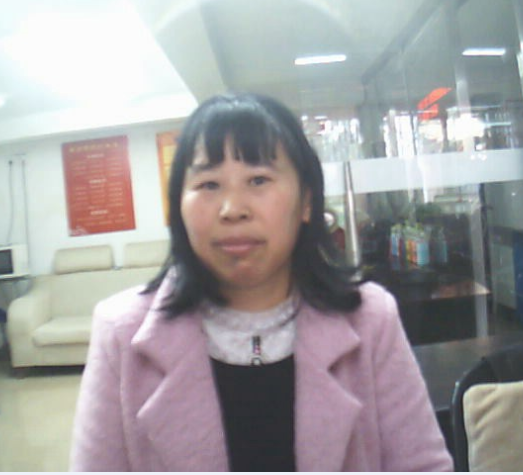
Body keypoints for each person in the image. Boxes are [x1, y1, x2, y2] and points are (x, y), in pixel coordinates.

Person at [70, 93, 453, 471]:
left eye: (258, 180)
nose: (232, 209)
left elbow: (422, 465)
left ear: (306, 202)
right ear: (179, 206)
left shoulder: (370, 318)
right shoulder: (121, 333)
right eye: (209, 184)